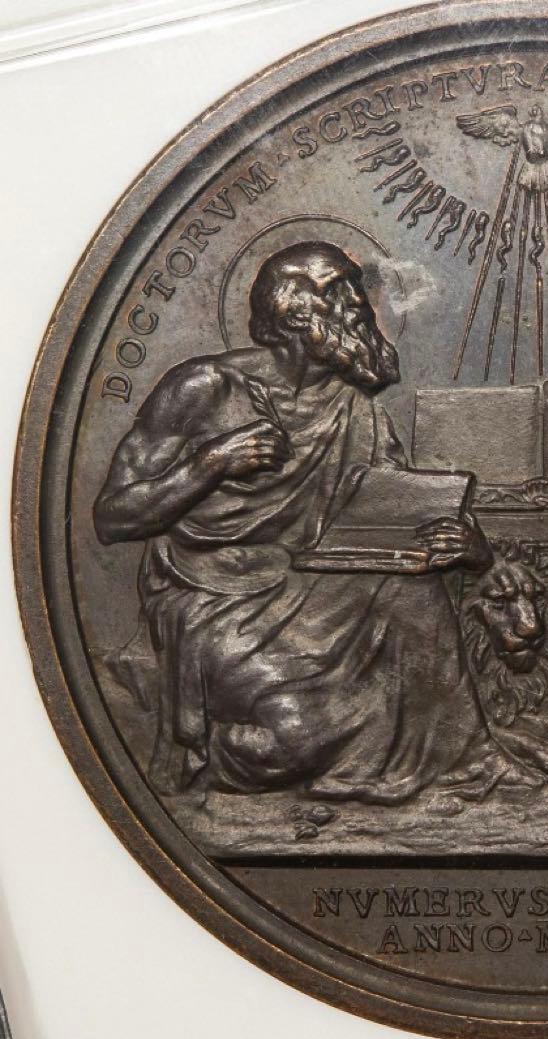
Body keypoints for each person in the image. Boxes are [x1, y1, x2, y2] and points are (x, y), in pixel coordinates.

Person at [95, 241, 516, 801]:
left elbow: (392, 507)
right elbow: (113, 517)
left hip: (321, 586)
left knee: (412, 591)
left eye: (355, 291)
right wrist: (210, 463)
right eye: (337, 292)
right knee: (289, 742)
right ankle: (215, 741)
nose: (358, 306)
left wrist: (469, 547)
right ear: (293, 312)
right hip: (217, 595)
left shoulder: (355, 407)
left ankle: (467, 759)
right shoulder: (203, 387)